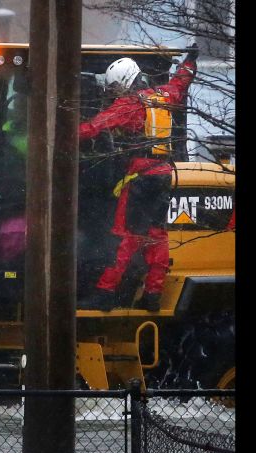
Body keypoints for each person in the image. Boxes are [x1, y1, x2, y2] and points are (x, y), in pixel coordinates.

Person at [77, 44, 198, 312]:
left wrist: (64, 132)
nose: (113, 95)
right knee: (157, 236)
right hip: (163, 175)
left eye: (115, 89)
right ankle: (153, 293)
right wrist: (189, 61)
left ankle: (105, 292)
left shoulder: (129, 105)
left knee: (125, 235)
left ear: (125, 83)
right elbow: (180, 83)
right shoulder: (163, 96)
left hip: (141, 178)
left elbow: (95, 126)